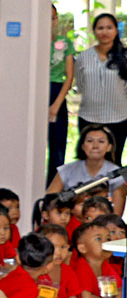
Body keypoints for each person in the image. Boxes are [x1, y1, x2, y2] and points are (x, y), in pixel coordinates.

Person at [76, 13, 127, 163]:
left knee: (113, 162)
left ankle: (115, 188)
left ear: (116, 31)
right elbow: (80, 84)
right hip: (89, 117)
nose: (105, 32)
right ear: (94, 31)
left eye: (109, 28)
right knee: (89, 162)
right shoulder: (83, 57)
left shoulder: (124, 56)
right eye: (100, 28)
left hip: (118, 118)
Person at [47, 125, 127, 214]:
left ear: (109, 147)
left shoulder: (117, 174)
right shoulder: (66, 170)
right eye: (90, 141)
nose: (95, 146)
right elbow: (49, 202)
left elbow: (116, 214)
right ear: (82, 146)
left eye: (101, 141)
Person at [49, 3, 76, 182]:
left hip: (57, 92)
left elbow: (69, 76)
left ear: (56, 20)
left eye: (52, 18)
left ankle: (53, 190)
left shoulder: (64, 43)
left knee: (57, 148)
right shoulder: (31, 43)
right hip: (36, 93)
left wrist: (56, 104)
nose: (48, 22)